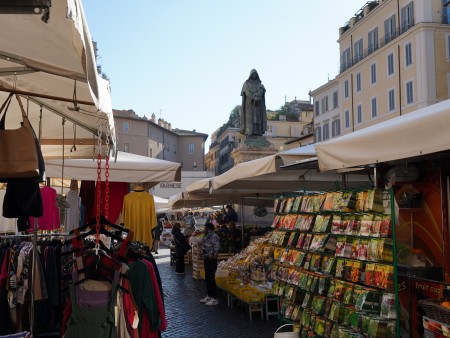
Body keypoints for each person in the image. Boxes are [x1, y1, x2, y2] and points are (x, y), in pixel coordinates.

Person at [240, 69, 267, 136]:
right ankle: (249, 131)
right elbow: (247, 92)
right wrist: (253, 97)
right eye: (253, 74)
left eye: (255, 74)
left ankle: (258, 132)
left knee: (257, 118)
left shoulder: (260, 84)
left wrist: (257, 97)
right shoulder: (246, 84)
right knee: (250, 118)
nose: (254, 75)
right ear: (250, 75)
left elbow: (261, 90)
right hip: (249, 104)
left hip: (258, 104)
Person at [199, 222, 221, 306]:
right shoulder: (205, 236)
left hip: (211, 259)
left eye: (205, 228)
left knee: (212, 278)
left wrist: (212, 255)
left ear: (208, 229)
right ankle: (209, 295)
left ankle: (214, 298)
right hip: (206, 259)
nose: (204, 229)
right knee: (207, 277)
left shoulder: (214, 236)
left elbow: (217, 248)